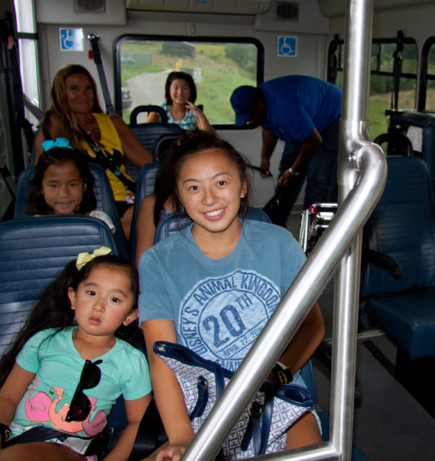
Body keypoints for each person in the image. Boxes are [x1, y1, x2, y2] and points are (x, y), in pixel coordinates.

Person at [138, 130, 324, 460]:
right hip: (202, 403)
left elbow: (311, 326)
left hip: (276, 392)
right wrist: (180, 436)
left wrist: (273, 377)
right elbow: (160, 355)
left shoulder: (278, 243)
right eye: (193, 188)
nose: (209, 199)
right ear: (180, 198)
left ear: (242, 187)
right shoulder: (158, 262)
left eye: (221, 183)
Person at [0, 250, 151, 461]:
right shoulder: (44, 342)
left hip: (75, 451)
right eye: (91, 293)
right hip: (21, 442)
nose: (99, 306)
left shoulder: (131, 362)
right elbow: (7, 397)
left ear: (130, 315)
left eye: (114, 299)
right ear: (73, 298)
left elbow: (138, 423)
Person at [35, 64, 153, 237]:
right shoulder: (54, 125)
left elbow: (149, 164)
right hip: (83, 201)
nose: (83, 95)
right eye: (74, 89)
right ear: (61, 93)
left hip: (124, 199)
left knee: (154, 213)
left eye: (88, 88)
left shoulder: (112, 122)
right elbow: (43, 175)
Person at [230, 75, 342, 227]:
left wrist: (294, 171)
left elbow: (314, 141)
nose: (250, 121)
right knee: (285, 180)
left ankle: (313, 238)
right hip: (305, 120)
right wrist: (265, 158)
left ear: (261, 104)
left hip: (330, 115)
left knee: (318, 181)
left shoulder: (285, 109)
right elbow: (268, 127)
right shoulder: (262, 101)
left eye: (250, 116)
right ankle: (277, 227)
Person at [26, 139, 115, 233]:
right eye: (53, 186)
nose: (64, 194)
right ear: (41, 188)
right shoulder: (35, 226)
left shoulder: (99, 221)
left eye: (72, 185)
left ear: (84, 185)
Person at [145, 71, 214, 132]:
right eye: (176, 88)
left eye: (185, 88)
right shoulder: (160, 110)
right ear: (169, 90)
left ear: (191, 91)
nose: (180, 92)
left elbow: (210, 136)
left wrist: (200, 115)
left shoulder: (194, 113)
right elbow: (143, 132)